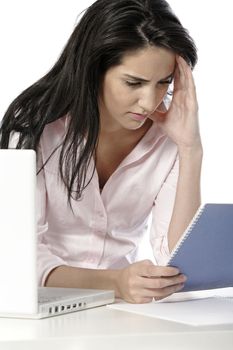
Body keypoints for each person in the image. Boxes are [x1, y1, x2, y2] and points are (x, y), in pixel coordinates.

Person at [0, 0, 202, 304]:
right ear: (93, 70)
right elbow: (19, 253)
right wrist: (114, 282)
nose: (149, 102)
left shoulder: (168, 138)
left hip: (121, 311)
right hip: (41, 306)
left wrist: (191, 148)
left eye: (164, 83)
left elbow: (176, 258)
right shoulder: (35, 129)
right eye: (134, 83)